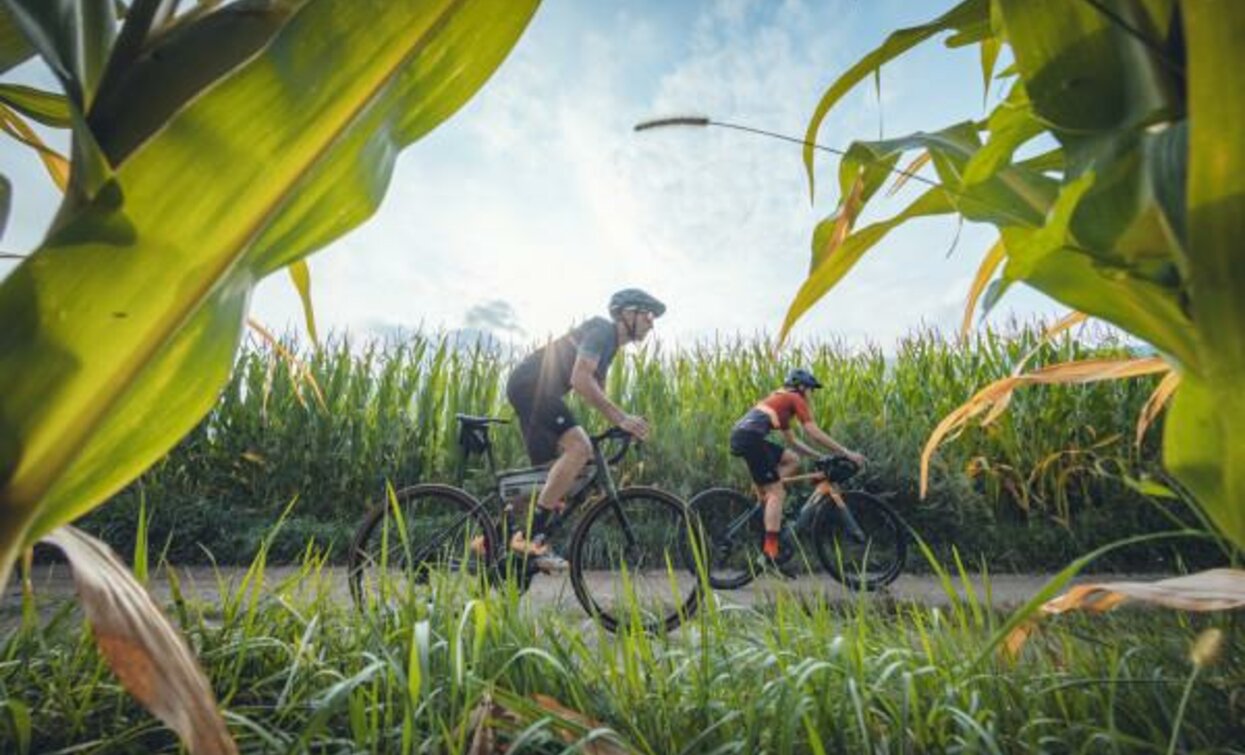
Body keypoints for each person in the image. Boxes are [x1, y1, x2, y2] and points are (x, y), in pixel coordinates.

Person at [505, 288, 665, 571]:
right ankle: (533, 539)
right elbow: (580, 379)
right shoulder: (602, 330)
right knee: (579, 447)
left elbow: (597, 392)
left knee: (552, 478)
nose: (652, 322)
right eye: (648, 314)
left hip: (536, 390)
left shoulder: (610, 348)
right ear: (627, 313)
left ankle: (492, 539)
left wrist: (620, 425)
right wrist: (621, 419)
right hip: (533, 386)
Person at [729, 367, 866, 565]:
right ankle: (770, 551)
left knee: (792, 459)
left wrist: (820, 455)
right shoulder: (795, 399)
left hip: (745, 437)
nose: (812, 395)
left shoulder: (781, 401)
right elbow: (813, 431)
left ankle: (767, 494)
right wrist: (846, 452)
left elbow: (793, 442)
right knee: (777, 492)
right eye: (811, 390)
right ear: (801, 387)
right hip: (750, 439)